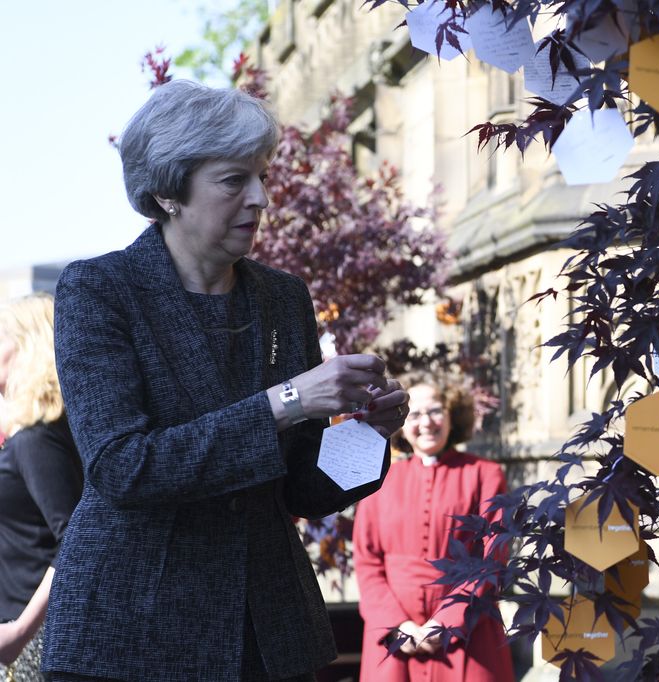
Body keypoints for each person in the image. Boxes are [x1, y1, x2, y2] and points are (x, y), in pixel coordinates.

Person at [41, 79, 410, 682]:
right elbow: (122, 467)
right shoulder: (99, 291)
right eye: (234, 180)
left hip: (267, 632)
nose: (261, 197)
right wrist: (288, 401)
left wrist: (368, 433)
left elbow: (303, 490)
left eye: (262, 176)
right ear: (167, 193)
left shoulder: (284, 298)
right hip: (132, 635)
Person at [353, 372, 514, 682]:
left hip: (468, 633)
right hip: (396, 639)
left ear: (452, 415)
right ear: (401, 423)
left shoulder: (486, 475)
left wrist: (448, 620)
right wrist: (395, 625)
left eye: (435, 410)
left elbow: (492, 560)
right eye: (414, 413)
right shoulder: (378, 481)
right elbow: (367, 562)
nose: (426, 422)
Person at [0, 294, 83, 682]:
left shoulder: (36, 440)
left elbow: (76, 542)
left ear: (25, 345)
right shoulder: (45, 434)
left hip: (34, 639)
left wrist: (21, 631)